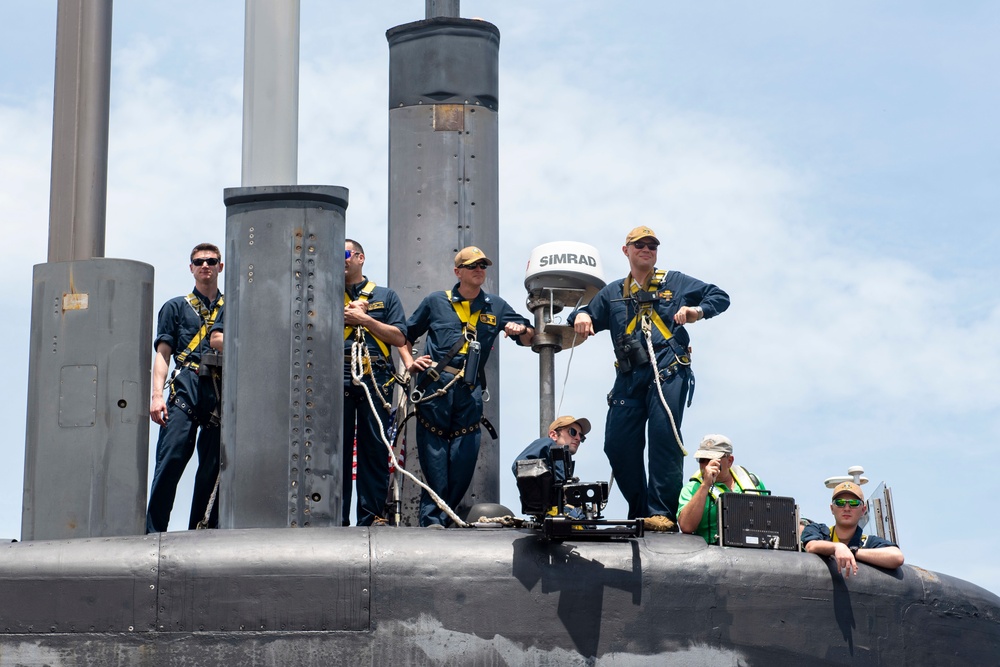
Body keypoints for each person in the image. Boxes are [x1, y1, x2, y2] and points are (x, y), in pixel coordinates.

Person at [569, 226, 730, 530]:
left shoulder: (674, 282)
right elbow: (590, 313)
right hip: (629, 375)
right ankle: (641, 510)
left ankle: (662, 515)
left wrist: (697, 311)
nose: (647, 249)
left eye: (652, 245)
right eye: (640, 245)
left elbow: (719, 296)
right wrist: (581, 315)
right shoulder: (613, 292)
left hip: (667, 370)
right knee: (616, 445)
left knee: (663, 439)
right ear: (626, 250)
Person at [399, 246, 534, 527]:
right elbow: (404, 335)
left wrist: (520, 330)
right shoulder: (436, 301)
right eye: (472, 266)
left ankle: (446, 517)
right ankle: (432, 519)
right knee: (434, 458)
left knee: (464, 458)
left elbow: (528, 337)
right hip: (436, 388)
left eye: (483, 265)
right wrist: (410, 362)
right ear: (457, 272)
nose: (479, 270)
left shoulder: (495, 306)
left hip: (469, 390)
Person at [146, 243, 225, 533]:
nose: (205, 265)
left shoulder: (232, 307)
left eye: (211, 261)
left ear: (220, 266)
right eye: (199, 261)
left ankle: (201, 530)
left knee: (213, 467)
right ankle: (153, 533)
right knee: (171, 459)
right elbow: (163, 354)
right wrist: (157, 396)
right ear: (191, 268)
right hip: (187, 386)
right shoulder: (176, 307)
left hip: (220, 389)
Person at [342, 239, 408, 526]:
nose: (340, 259)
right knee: (335, 449)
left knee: (374, 447)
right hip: (338, 375)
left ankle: (370, 517)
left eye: (345, 253)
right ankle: (335, 517)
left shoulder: (385, 296)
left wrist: (364, 320)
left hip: (376, 376)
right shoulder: (323, 295)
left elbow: (399, 337)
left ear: (360, 257)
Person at [677, 434, 766, 544]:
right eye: (702, 460)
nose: (706, 465)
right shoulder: (692, 488)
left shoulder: (753, 481)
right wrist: (705, 485)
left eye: (711, 459)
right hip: (712, 553)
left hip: (751, 552)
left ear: (729, 461)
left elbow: (768, 519)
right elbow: (686, 526)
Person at [801, 481, 904, 576]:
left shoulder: (868, 542)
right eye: (840, 503)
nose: (846, 508)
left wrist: (853, 552)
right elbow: (811, 546)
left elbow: (897, 557)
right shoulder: (819, 531)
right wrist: (838, 547)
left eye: (853, 503)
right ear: (832, 509)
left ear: (863, 510)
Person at [511, 415, 592, 483]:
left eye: (581, 436)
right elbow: (519, 467)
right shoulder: (548, 442)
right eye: (573, 432)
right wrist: (546, 477)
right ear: (553, 435)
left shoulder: (566, 465)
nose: (578, 438)